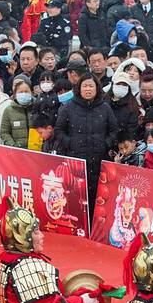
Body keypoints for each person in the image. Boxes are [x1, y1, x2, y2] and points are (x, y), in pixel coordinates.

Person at [55, 75, 117, 208]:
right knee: (76, 198)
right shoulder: (69, 107)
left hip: (99, 160)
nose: (88, 89)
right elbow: (59, 130)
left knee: (99, 198)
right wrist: (70, 143)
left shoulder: (105, 108)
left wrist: (105, 144)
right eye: (85, 86)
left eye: (91, 86)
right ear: (79, 89)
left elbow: (114, 131)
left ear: (96, 89)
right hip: (76, 161)